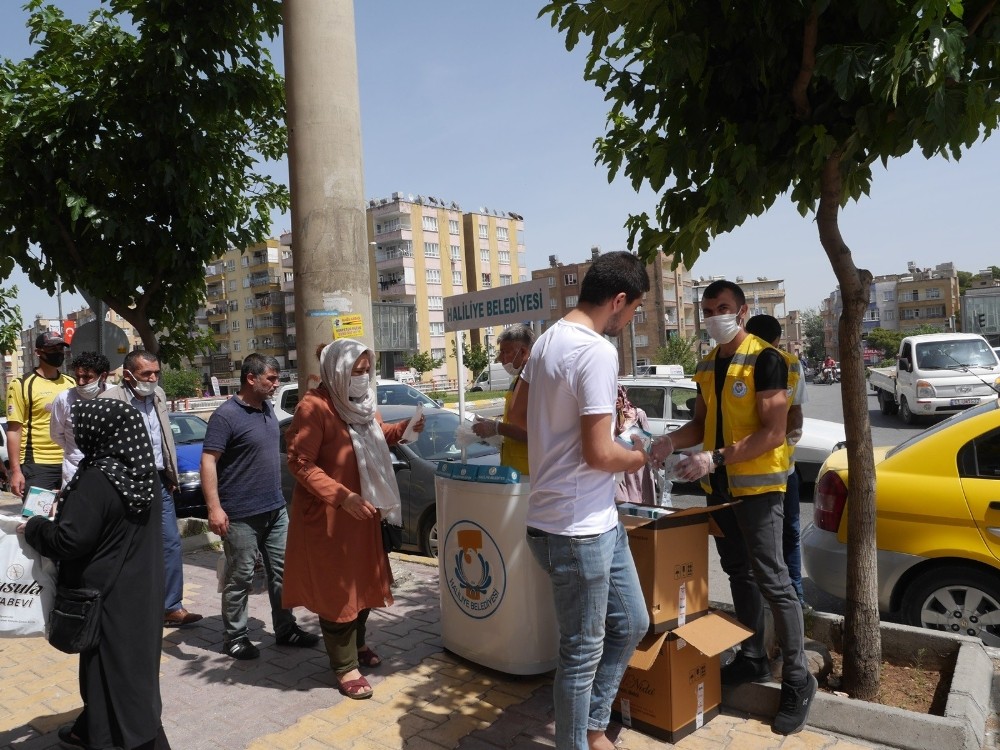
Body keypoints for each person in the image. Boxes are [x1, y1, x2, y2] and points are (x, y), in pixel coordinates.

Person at [651, 279, 815, 736]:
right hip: (718, 490)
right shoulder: (707, 364)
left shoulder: (766, 359)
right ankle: (753, 656)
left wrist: (716, 456)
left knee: (774, 579)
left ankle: (799, 678)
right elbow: (701, 424)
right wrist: (669, 441)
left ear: (741, 311)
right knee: (740, 573)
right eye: (707, 309)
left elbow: (774, 432)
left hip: (758, 490)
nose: (713, 316)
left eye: (722, 308)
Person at [507, 250, 651, 750]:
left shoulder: (548, 340)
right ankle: (578, 742)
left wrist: (562, 429)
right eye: (633, 310)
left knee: (632, 621)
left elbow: (521, 414)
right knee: (581, 654)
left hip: (593, 520)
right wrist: (638, 453)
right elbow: (598, 453)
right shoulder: (594, 350)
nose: (630, 320)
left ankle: (592, 726)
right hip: (574, 530)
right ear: (617, 300)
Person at [21, 399, 172, 750]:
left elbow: (68, 540)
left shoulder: (98, 478)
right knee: (131, 673)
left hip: (105, 599)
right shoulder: (141, 472)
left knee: (110, 678)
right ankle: (89, 731)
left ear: (97, 433)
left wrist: (35, 527)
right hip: (140, 593)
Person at [283, 339, 424, 699]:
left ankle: (357, 646)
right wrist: (341, 496)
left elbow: (376, 438)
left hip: (365, 513)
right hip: (331, 517)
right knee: (339, 592)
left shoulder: (362, 405)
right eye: (354, 372)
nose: (362, 379)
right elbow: (300, 462)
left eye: (366, 371)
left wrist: (404, 429)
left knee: (364, 586)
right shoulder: (313, 408)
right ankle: (345, 666)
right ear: (335, 372)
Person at [201, 353, 319, 660]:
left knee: (283, 573)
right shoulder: (225, 416)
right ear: (251, 379)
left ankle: (286, 629)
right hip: (240, 514)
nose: (277, 384)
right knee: (240, 577)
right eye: (271, 379)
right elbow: (208, 461)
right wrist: (214, 508)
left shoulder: (266, 408)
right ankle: (235, 637)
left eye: (277, 378)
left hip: (275, 510)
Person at [101, 350, 202, 628]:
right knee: (128, 545)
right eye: (147, 374)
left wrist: (170, 472)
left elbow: (164, 436)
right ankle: (126, 607)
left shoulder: (158, 396)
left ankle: (171, 606)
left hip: (158, 480)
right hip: (125, 482)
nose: (153, 378)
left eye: (156, 373)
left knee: (169, 543)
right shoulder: (110, 400)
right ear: (128, 375)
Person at [745, 314, 807, 607]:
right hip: (784, 471)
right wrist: (783, 446)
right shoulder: (790, 363)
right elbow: (795, 417)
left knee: (758, 545)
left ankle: (770, 600)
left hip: (752, 473)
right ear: (778, 339)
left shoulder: (740, 364)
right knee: (788, 536)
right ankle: (795, 596)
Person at [5, 331, 75, 499]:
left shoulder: (71, 383)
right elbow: (14, 431)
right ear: (38, 352)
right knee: (36, 519)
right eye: (52, 349)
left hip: (70, 462)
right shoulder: (21, 384)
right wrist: (15, 471)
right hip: (37, 465)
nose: (58, 353)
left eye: (60, 348)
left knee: (69, 520)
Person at [471, 324, 533, 474]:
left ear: (523, 351)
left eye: (505, 352)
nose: (500, 358)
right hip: (513, 471)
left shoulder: (536, 381)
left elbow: (535, 432)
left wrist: (497, 428)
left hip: (530, 473)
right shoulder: (518, 379)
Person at [50, 351, 112, 487]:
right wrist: (74, 449)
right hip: (74, 469)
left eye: (87, 377)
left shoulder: (115, 396)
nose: (81, 382)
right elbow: (56, 434)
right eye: (77, 377)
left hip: (110, 472)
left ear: (103, 376)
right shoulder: (64, 399)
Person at [614, 385, 656, 504]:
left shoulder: (638, 414)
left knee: (643, 500)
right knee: (625, 502)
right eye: (613, 396)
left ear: (623, 396)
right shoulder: (609, 418)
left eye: (619, 396)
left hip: (640, 466)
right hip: (622, 469)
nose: (616, 399)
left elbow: (648, 441)